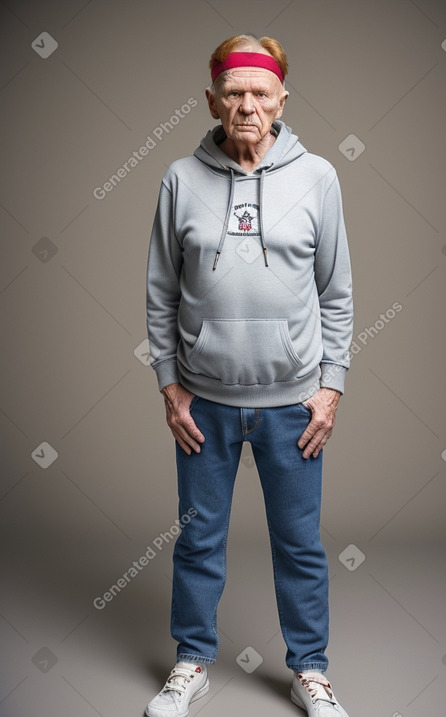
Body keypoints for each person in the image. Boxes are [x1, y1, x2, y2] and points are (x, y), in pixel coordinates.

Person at [145, 32, 354, 717]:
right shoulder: (180, 178)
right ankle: (190, 661)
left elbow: (337, 292)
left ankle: (312, 671)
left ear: (281, 100)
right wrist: (170, 386)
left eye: (259, 93)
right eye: (233, 92)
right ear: (211, 100)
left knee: (300, 543)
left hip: (295, 402)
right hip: (204, 401)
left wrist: (331, 384)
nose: (246, 106)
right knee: (199, 538)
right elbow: (160, 293)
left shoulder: (319, 176)